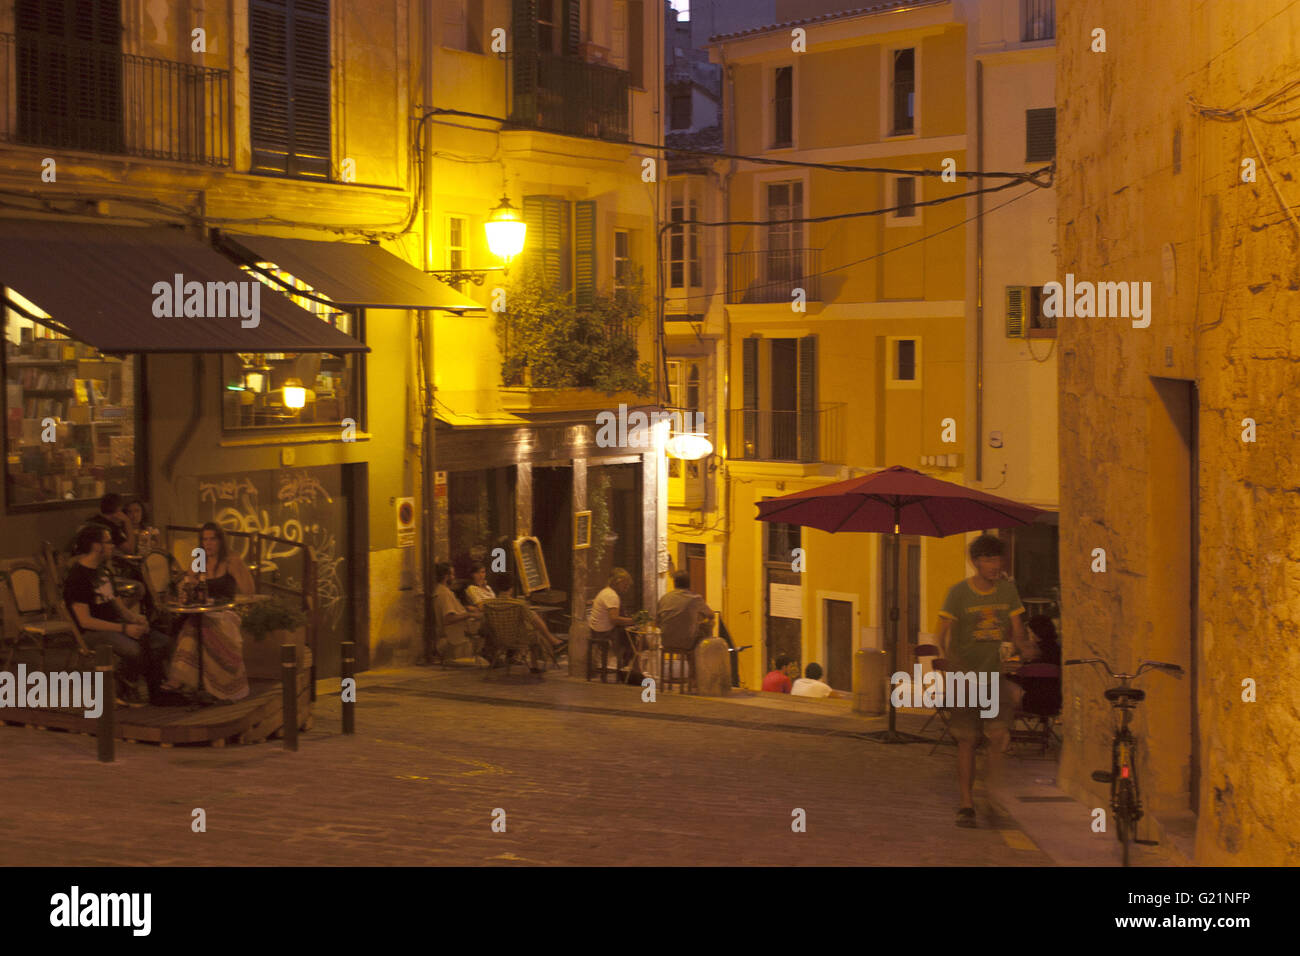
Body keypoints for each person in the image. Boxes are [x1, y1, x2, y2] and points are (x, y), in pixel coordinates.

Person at [936, 533, 1030, 829]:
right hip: (966, 677)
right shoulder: (958, 593)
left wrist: (1019, 650)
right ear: (976, 562)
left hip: (995, 678)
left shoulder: (1007, 592)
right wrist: (946, 663)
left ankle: (991, 797)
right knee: (967, 740)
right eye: (987, 559)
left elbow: (1017, 630)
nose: (994, 564)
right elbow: (940, 632)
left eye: (997, 558)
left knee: (998, 737)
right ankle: (967, 804)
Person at [63, 524, 169, 705]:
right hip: (93, 633)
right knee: (133, 649)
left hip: (114, 625)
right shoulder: (78, 577)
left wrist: (135, 619)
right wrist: (124, 628)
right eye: (109, 542)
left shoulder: (103, 572)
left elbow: (119, 606)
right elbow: (85, 621)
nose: (113, 546)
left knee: (161, 642)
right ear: (97, 547)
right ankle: (125, 685)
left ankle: (139, 684)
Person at [158, 522, 253, 703]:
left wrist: (239, 569)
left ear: (220, 541)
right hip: (202, 613)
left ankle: (181, 680)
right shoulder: (199, 560)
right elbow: (185, 587)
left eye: (212, 539)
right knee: (193, 626)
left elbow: (248, 591)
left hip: (225, 613)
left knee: (194, 628)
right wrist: (187, 584)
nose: (208, 544)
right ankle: (189, 682)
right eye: (205, 539)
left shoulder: (230, 561)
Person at [483, 571, 566, 671]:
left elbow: (486, 624)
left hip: (498, 639)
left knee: (533, 623)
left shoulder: (487, 604)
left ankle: (553, 642)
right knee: (535, 629)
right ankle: (540, 658)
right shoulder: (519, 604)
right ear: (511, 587)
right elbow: (532, 620)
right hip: (519, 639)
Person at [1006, 614, 1062, 717]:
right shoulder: (1058, 650)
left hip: (1033, 703)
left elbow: (1027, 682)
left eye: (1029, 632)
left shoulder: (1035, 652)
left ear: (1034, 634)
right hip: (1056, 703)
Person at [433, 561, 486, 665]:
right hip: (458, 633)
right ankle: (490, 655)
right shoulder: (444, 594)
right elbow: (448, 619)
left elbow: (453, 610)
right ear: (446, 576)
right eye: (452, 574)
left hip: (463, 628)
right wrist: (469, 615)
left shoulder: (443, 591)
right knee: (490, 624)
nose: (454, 577)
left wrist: (467, 608)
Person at [587, 568, 636, 670]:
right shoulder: (612, 596)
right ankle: (628, 666)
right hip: (603, 632)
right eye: (625, 584)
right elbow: (614, 619)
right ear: (618, 582)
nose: (626, 588)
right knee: (633, 635)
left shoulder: (605, 592)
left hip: (596, 630)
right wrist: (633, 621)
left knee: (629, 632)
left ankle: (627, 663)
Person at [656, 570, 714, 652]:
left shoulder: (664, 598)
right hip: (687, 643)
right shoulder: (695, 599)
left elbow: (657, 622)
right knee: (709, 623)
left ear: (674, 583)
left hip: (666, 642)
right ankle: (700, 660)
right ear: (689, 583)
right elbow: (711, 615)